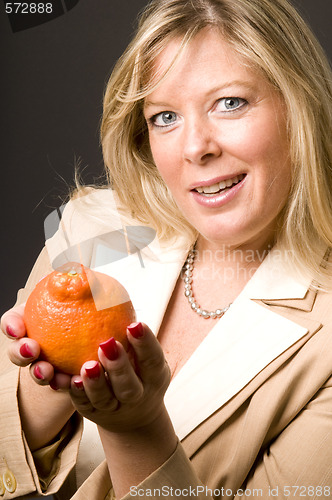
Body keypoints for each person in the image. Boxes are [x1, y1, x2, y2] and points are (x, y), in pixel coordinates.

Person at [1, 0, 332, 498]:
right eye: (165, 117)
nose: (195, 147)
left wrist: (135, 427)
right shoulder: (92, 234)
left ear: (299, 106)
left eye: (230, 102)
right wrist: (44, 396)